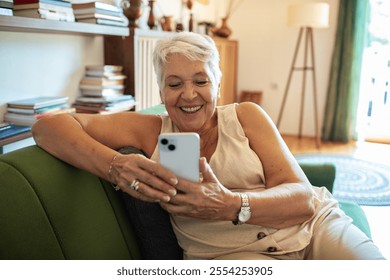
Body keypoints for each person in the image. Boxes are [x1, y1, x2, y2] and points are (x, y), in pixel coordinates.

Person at [32, 31, 385, 260]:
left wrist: (231, 204)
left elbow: (304, 199)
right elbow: (48, 128)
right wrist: (114, 166)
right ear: (160, 90)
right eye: (174, 84)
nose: (188, 95)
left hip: (314, 229)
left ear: (217, 83)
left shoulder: (246, 116)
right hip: (232, 256)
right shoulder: (149, 129)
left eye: (201, 80)